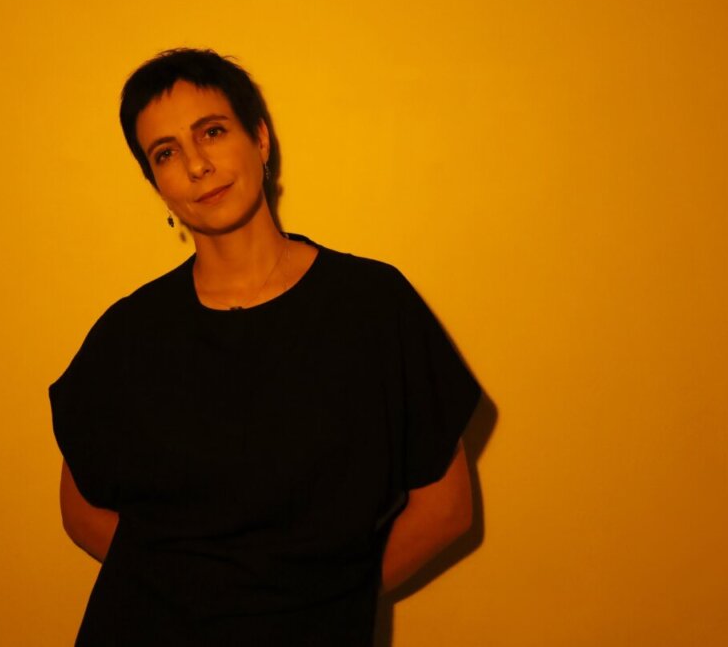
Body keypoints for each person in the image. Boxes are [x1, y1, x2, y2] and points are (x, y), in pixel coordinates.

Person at [49, 48, 481, 646]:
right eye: (166, 153)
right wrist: (194, 600)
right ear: (156, 184)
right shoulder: (129, 333)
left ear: (259, 139)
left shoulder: (372, 306)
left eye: (212, 132)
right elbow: (79, 508)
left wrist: (314, 608)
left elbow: (446, 508)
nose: (196, 165)